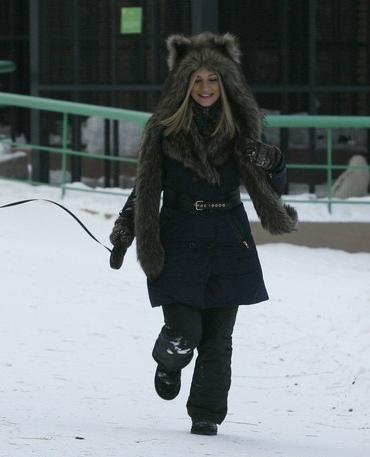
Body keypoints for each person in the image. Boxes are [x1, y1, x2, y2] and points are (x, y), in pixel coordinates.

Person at [109, 32, 298, 436]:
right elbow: (145, 184)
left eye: (213, 78)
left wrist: (274, 161)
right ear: (183, 83)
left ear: (226, 81)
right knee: (186, 330)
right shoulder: (163, 129)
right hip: (177, 237)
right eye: (197, 79)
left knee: (218, 338)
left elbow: (274, 185)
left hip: (228, 238)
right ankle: (170, 359)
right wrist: (126, 228)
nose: (206, 87)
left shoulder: (244, 128)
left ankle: (207, 414)